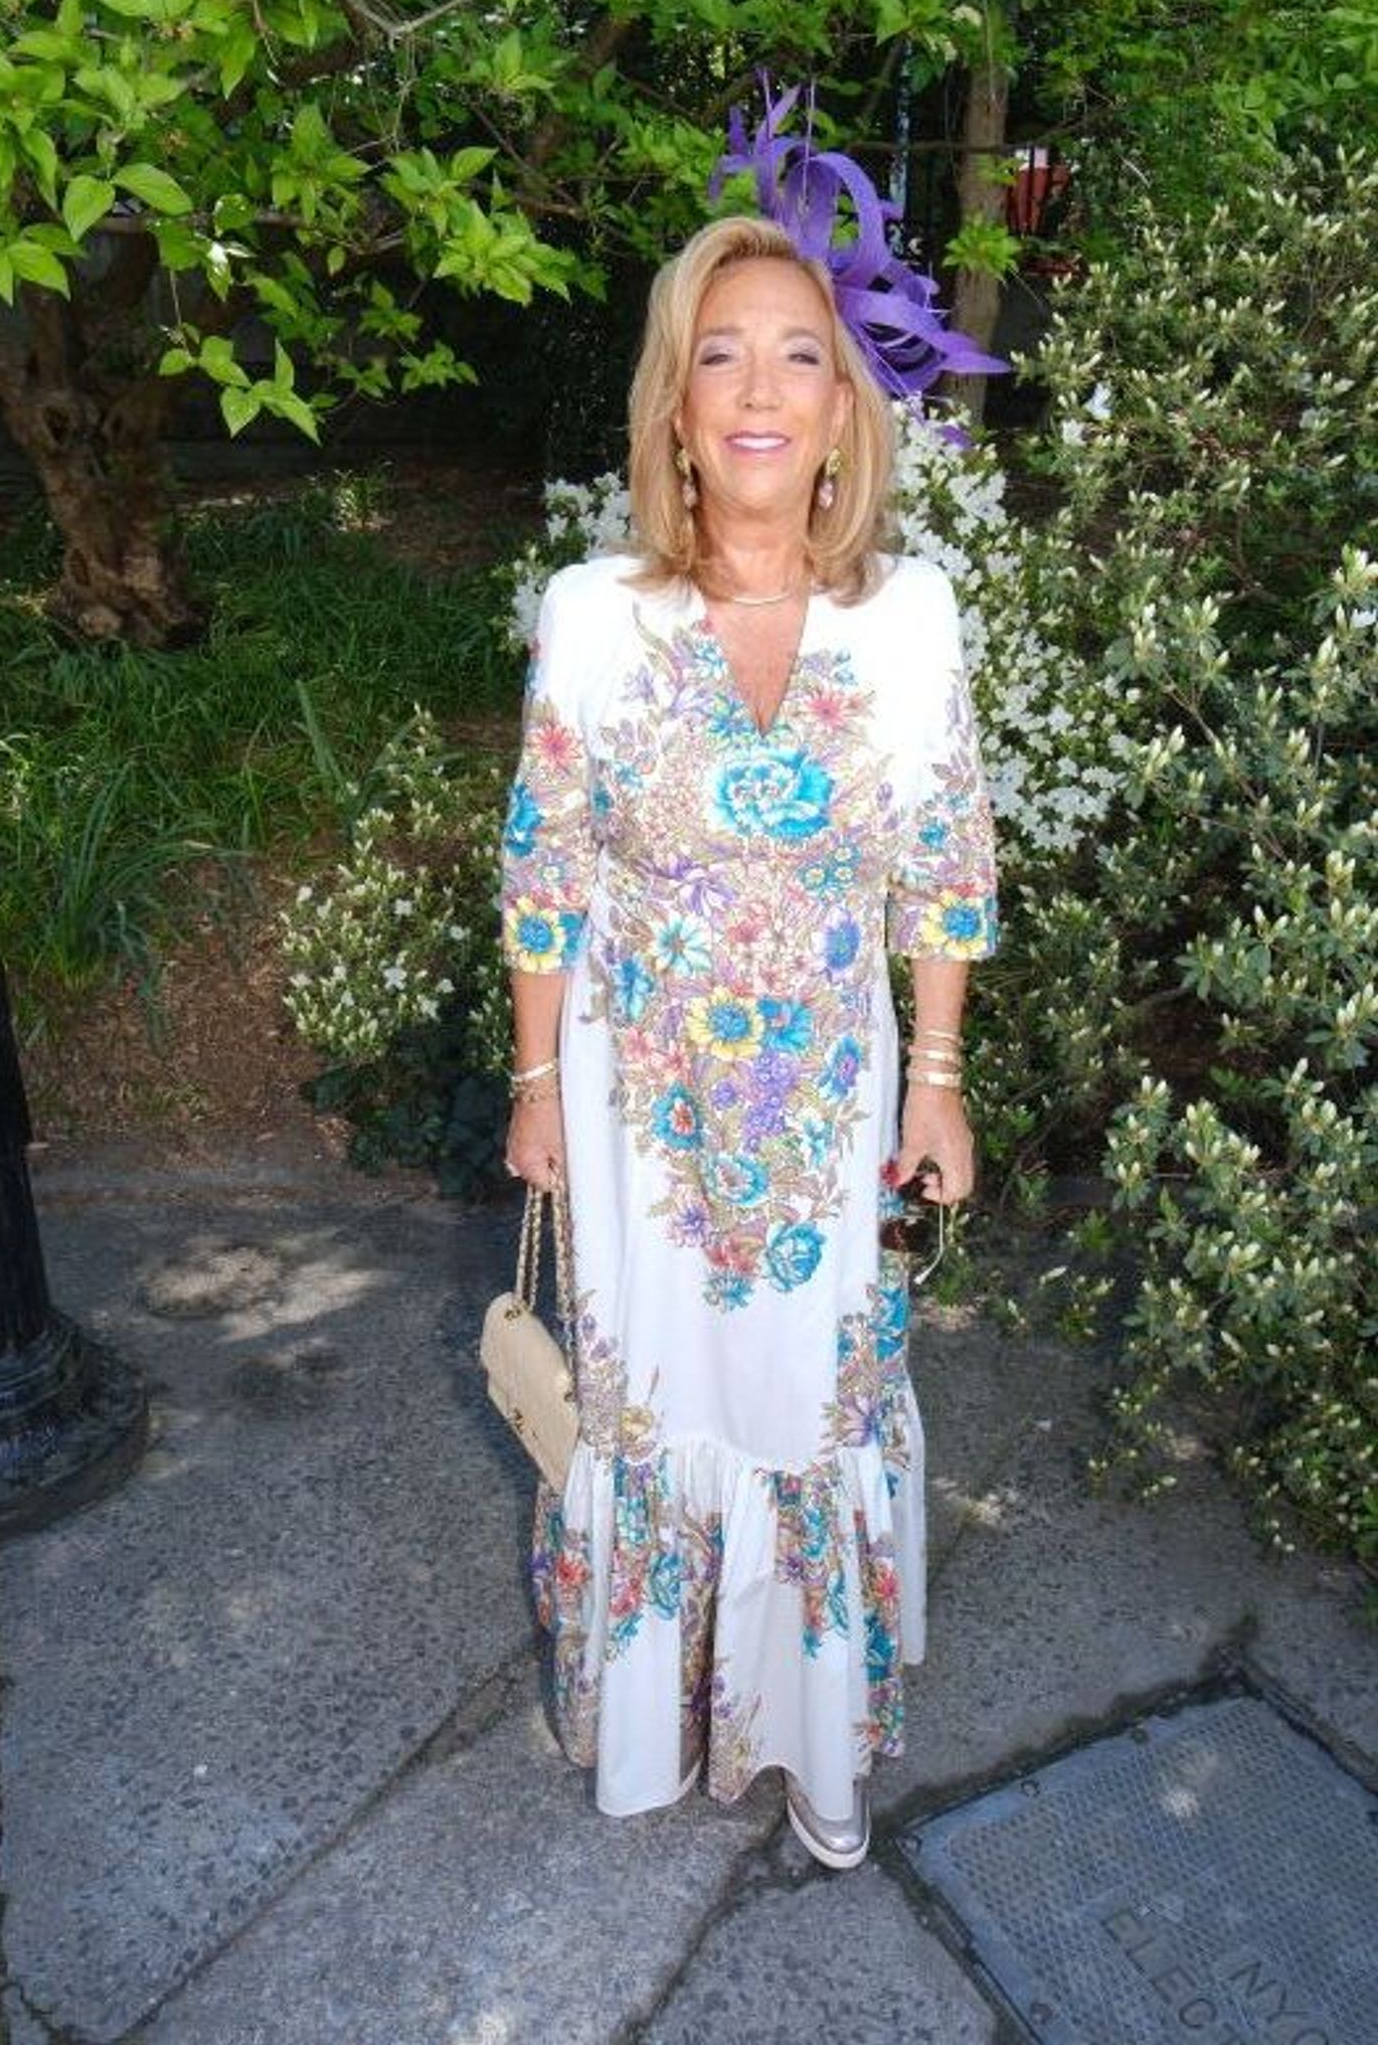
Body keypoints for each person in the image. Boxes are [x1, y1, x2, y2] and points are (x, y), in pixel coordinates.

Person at [499, 210, 997, 1869]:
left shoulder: (910, 615)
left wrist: (940, 1077)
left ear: (846, 411)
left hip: (836, 1102)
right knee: (664, 1399)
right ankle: (669, 1714)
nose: (762, 387)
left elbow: (943, 859)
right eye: (722, 353)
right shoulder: (593, 613)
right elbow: (546, 865)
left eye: (801, 353)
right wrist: (529, 1088)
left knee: (814, 1399)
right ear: (676, 408)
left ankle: (810, 1742)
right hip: (643, 1111)